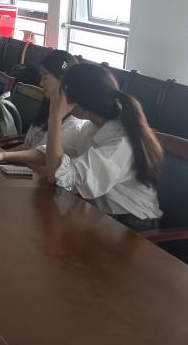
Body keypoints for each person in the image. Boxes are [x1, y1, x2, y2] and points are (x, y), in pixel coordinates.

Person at [38, 63, 163, 231]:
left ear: (81, 104)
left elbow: (58, 176)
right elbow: (52, 153)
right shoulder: (92, 127)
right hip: (103, 215)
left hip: (132, 225)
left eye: (64, 94)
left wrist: (55, 117)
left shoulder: (120, 143)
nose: (60, 100)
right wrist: (6, 156)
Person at [0, 51, 87, 164]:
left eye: (45, 77)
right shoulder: (48, 107)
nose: (41, 83)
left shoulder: (73, 125)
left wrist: (4, 156)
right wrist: (0, 154)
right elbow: (27, 146)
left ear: (62, 80)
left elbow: (43, 157)